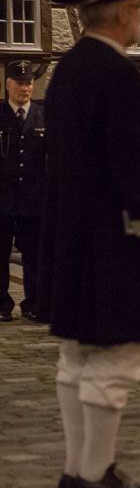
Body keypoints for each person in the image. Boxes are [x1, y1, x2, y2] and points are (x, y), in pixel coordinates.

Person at [42, 0, 140, 488]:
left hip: (77, 238)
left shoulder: (70, 69)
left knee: (77, 358)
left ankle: (79, 470)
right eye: (139, 9)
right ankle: (94, 472)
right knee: (116, 359)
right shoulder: (119, 76)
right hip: (117, 244)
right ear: (123, 12)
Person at [0, 59, 45, 322]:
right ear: (8, 85)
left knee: (35, 257)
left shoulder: (43, 116)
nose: (25, 88)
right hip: (3, 199)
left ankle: (34, 303)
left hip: (33, 199)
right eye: (19, 83)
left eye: (28, 83)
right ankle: (2, 304)